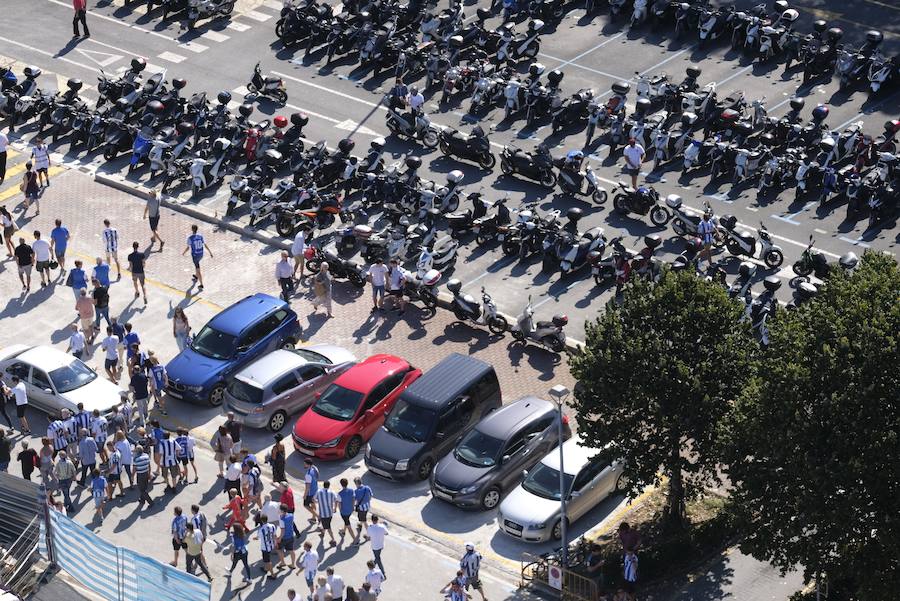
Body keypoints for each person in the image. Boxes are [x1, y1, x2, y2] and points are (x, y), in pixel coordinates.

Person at [183, 224, 213, 292]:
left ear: (192, 229)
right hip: (201, 254)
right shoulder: (200, 236)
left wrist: (183, 253)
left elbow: (188, 248)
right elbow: (205, 245)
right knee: (197, 266)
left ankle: (201, 284)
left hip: (195, 256)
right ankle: (196, 277)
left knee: (198, 269)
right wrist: (210, 252)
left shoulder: (190, 238)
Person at [316, 480, 339, 546]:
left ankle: (333, 540)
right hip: (330, 513)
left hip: (323, 514)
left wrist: (319, 502)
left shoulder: (318, 492)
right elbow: (336, 500)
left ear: (323, 485)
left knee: (328, 527)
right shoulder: (332, 492)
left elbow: (313, 499)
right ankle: (322, 533)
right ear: (329, 486)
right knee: (326, 524)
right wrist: (335, 508)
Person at [255, 514, 278, 579]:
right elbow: (274, 535)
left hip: (265, 548)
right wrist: (276, 544)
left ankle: (273, 574)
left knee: (268, 561)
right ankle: (265, 569)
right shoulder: (272, 526)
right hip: (271, 545)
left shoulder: (261, 529)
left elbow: (258, 537)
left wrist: (255, 538)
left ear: (261, 521)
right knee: (266, 559)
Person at [276, 503, 297, 568]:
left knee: (279, 549)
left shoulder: (282, 519)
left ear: (282, 510)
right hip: (291, 535)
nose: (278, 510)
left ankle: (283, 563)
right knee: (291, 550)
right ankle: (293, 564)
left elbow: (283, 531)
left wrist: (279, 538)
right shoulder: (291, 515)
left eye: (279, 509)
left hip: (284, 538)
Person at [337, 478, 357, 544]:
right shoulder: (352, 490)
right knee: (346, 521)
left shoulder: (339, 494)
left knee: (349, 526)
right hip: (350, 510)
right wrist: (353, 507)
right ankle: (343, 531)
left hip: (344, 512)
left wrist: (340, 511)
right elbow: (353, 499)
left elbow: (339, 505)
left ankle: (355, 540)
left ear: (341, 484)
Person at [354, 477, 373, 542]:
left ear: (356, 484)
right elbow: (371, 495)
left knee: (364, 521)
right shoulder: (367, 488)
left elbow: (355, 500)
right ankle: (360, 525)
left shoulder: (356, 491)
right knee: (362, 518)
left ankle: (369, 535)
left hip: (361, 508)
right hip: (367, 506)